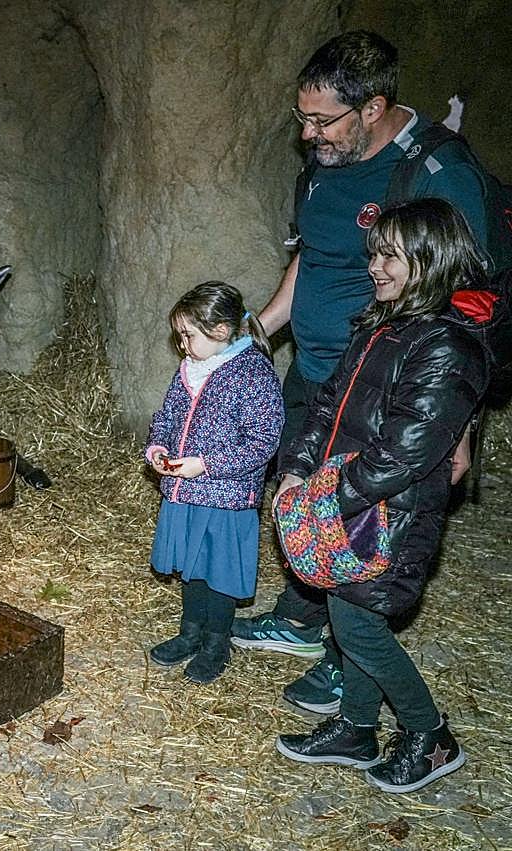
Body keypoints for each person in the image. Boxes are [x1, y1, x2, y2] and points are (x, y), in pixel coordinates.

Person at [231, 30, 491, 713]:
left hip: (387, 388)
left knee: (364, 516)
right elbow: (310, 256)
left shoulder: (436, 173)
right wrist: (255, 331)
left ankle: (352, 661)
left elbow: (471, 301)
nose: (309, 133)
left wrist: (458, 422)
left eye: (323, 120)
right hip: (317, 371)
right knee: (302, 488)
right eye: (302, 118)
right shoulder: (323, 161)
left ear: (374, 107)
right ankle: (300, 616)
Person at [273, 198, 486, 793]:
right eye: (375, 254)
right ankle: (357, 727)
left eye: (390, 255)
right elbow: (326, 404)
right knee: (348, 615)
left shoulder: (446, 346)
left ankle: (429, 733)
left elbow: (405, 454)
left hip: (392, 512)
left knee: (359, 625)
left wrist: (327, 498)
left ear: (430, 259)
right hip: (353, 502)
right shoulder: (380, 326)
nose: (375, 267)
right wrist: (296, 467)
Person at [145, 282, 284, 684]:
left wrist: (206, 465)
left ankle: (216, 643)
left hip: (225, 497)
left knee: (217, 573)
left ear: (221, 330)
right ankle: (190, 633)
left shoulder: (253, 374)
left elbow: (263, 442)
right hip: (185, 492)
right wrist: (157, 447)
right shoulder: (190, 369)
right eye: (179, 336)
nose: (182, 344)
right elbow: (168, 415)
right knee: (190, 567)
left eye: (188, 335)